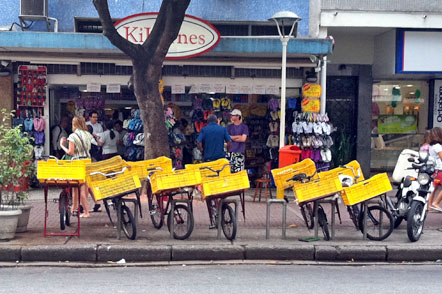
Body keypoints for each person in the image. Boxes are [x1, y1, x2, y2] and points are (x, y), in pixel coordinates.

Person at [59, 116, 94, 218]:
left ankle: (86, 212)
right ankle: (75, 208)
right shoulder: (88, 135)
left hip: (77, 163)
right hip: (87, 161)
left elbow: (71, 152)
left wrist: (62, 145)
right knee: (84, 187)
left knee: (78, 187)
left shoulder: (72, 136)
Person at [428, 127, 442, 211]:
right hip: (440, 169)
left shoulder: (431, 146)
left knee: (433, 188)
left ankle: (429, 206)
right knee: (434, 188)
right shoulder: (438, 146)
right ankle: (436, 202)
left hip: (435, 169)